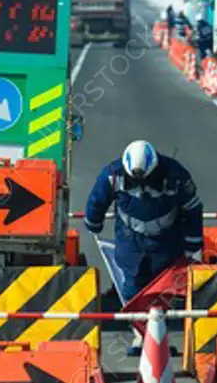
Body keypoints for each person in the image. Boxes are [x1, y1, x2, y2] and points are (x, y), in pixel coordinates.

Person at [84, 141, 203, 353]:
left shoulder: (176, 175)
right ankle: (140, 335)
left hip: (166, 239)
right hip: (131, 240)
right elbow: (97, 200)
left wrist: (193, 242)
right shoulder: (113, 175)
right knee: (132, 287)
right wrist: (94, 222)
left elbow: (192, 207)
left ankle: (158, 333)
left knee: (162, 287)